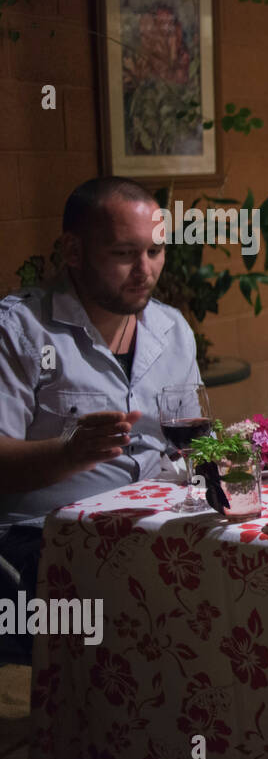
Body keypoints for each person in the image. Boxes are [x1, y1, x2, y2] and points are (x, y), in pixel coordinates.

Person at [0, 177, 200, 660]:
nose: (145, 270)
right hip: (43, 542)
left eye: (155, 251)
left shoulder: (172, 329)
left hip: (151, 527)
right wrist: (69, 454)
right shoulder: (21, 330)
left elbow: (190, 443)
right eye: (123, 254)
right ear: (73, 250)